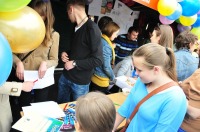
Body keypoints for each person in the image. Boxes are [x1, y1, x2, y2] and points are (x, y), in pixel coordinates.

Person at [113, 43, 187, 131]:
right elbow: (125, 107)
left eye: (139, 70)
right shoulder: (142, 81)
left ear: (156, 69)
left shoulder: (175, 98)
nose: (136, 73)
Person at [12, 0, 59, 106]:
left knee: (39, 108)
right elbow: (10, 53)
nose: (38, 18)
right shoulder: (22, 30)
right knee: (23, 107)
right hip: (23, 76)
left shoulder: (54, 35)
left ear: (47, 15)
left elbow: (55, 60)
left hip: (41, 79)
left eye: (41, 15)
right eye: (35, 14)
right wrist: (18, 62)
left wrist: (45, 63)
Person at [57, 0, 103, 103]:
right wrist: (65, 53)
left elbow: (98, 60)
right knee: (60, 106)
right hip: (66, 76)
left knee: (78, 113)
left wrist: (74, 63)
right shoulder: (75, 26)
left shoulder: (92, 29)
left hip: (80, 83)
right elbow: (79, 50)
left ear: (71, 9)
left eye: (67, 12)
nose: (68, 16)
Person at [90, 21, 120, 94]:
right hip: (100, 80)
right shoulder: (106, 45)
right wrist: (113, 77)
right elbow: (106, 67)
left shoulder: (101, 39)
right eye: (115, 34)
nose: (116, 36)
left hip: (94, 75)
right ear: (110, 32)